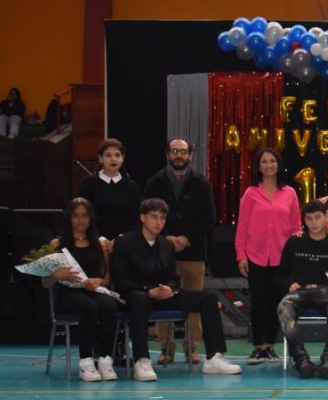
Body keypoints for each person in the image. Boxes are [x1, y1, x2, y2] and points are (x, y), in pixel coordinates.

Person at [111, 199, 242, 381]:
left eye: (162, 218)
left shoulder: (167, 245)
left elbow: (171, 277)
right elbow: (121, 280)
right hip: (135, 296)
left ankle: (214, 357)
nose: (159, 222)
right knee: (139, 299)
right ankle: (142, 360)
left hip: (162, 295)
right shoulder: (124, 242)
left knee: (209, 298)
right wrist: (148, 290)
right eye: (154, 217)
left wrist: (170, 288)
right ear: (142, 218)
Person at [143, 138, 216, 366]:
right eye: (174, 151)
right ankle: (166, 349)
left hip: (194, 252)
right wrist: (165, 239)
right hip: (161, 253)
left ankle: (192, 348)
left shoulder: (202, 184)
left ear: (190, 155)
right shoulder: (154, 183)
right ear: (167, 154)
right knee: (163, 298)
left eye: (183, 151)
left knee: (195, 302)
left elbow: (209, 219)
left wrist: (187, 239)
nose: (179, 155)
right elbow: (145, 214)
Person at [235, 148, 302, 365]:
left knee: (276, 302)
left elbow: (296, 227)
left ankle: (271, 346)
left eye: (272, 161)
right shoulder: (251, 193)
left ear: (278, 164)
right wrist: (241, 255)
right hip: (255, 256)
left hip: (282, 259)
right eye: (264, 161)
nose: (268, 165)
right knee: (259, 301)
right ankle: (257, 347)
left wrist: (295, 256)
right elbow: (242, 227)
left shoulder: (290, 193)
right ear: (258, 166)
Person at [43, 198, 118, 382]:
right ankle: (86, 362)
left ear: (90, 218)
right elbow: (45, 283)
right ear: (69, 218)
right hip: (68, 296)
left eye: (84, 216)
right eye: (75, 216)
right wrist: (57, 275)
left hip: (93, 292)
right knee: (89, 307)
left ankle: (105, 359)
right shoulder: (56, 245)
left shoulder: (99, 244)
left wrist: (99, 281)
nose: (80, 220)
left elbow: (106, 279)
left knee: (109, 305)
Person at [276, 200, 328, 379]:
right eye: (309, 219)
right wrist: (288, 284)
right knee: (283, 308)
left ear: (326, 217)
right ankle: (301, 360)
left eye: (318, 217)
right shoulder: (294, 243)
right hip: (299, 292)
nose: (314, 222)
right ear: (304, 220)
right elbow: (279, 276)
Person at [77, 139, 142, 249]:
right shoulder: (89, 183)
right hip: (93, 242)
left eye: (117, 155)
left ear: (122, 158)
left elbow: (136, 218)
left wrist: (121, 239)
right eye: (108, 155)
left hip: (125, 244)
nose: (113, 159)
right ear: (100, 158)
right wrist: (100, 238)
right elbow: (82, 215)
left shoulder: (131, 186)